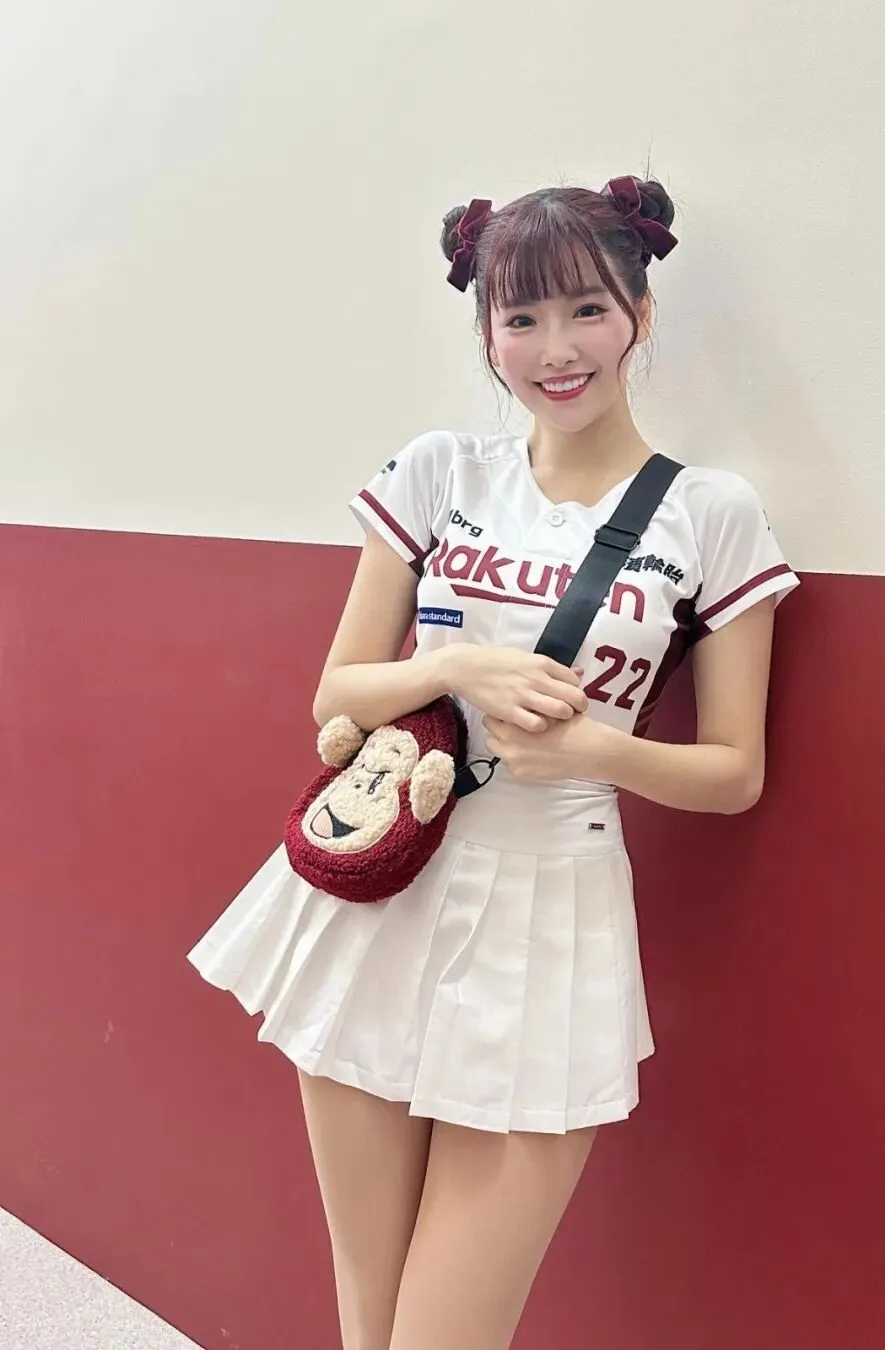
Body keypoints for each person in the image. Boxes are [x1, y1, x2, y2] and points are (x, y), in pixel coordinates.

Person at [188, 174, 799, 1350]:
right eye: (522, 319)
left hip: (551, 904)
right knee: (369, 1322)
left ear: (639, 315)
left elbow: (734, 771)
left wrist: (595, 748)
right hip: (385, 886)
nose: (555, 349)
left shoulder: (712, 513)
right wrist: (459, 668)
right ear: (487, 335)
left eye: (587, 310)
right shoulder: (441, 473)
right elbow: (338, 692)